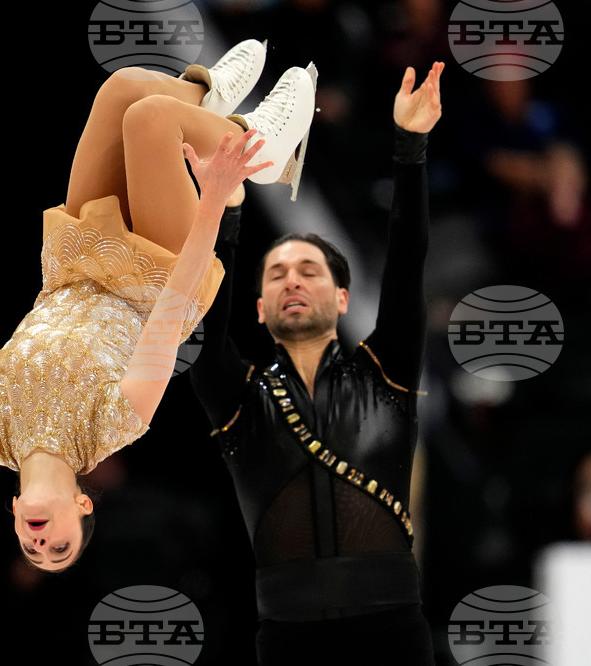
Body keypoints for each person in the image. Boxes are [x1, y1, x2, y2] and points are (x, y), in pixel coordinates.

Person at [0, 40, 318, 571]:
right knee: (150, 120)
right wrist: (214, 201)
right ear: (83, 504)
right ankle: (259, 152)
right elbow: (169, 317)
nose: (40, 543)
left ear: (12, 513)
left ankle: (205, 97)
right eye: (60, 548)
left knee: (120, 90)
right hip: (157, 275)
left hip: (75, 260)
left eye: (33, 550)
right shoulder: (115, 426)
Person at [190, 62, 444, 663]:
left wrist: (410, 149)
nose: (293, 280)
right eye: (277, 274)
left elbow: (408, 266)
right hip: (289, 640)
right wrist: (223, 214)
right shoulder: (239, 398)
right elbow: (200, 325)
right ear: (258, 307)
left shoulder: (386, 375)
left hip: (394, 634)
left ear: (343, 299)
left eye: (310, 270)